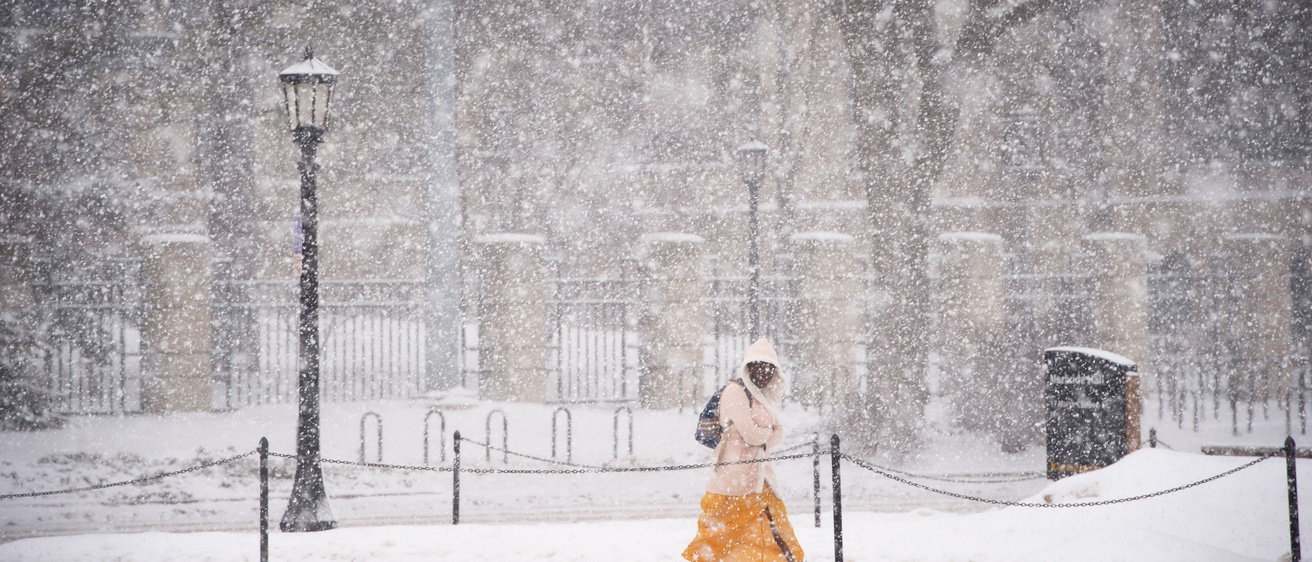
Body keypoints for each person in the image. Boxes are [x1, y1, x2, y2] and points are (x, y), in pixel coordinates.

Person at [683, 337, 804, 562]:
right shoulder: (735, 392)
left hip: (761, 480)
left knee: (771, 537)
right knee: (723, 540)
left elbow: (778, 432)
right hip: (733, 482)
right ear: (749, 368)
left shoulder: (760, 397)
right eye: (759, 367)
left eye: (770, 369)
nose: (765, 374)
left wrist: (765, 434)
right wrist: (767, 433)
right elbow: (752, 433)